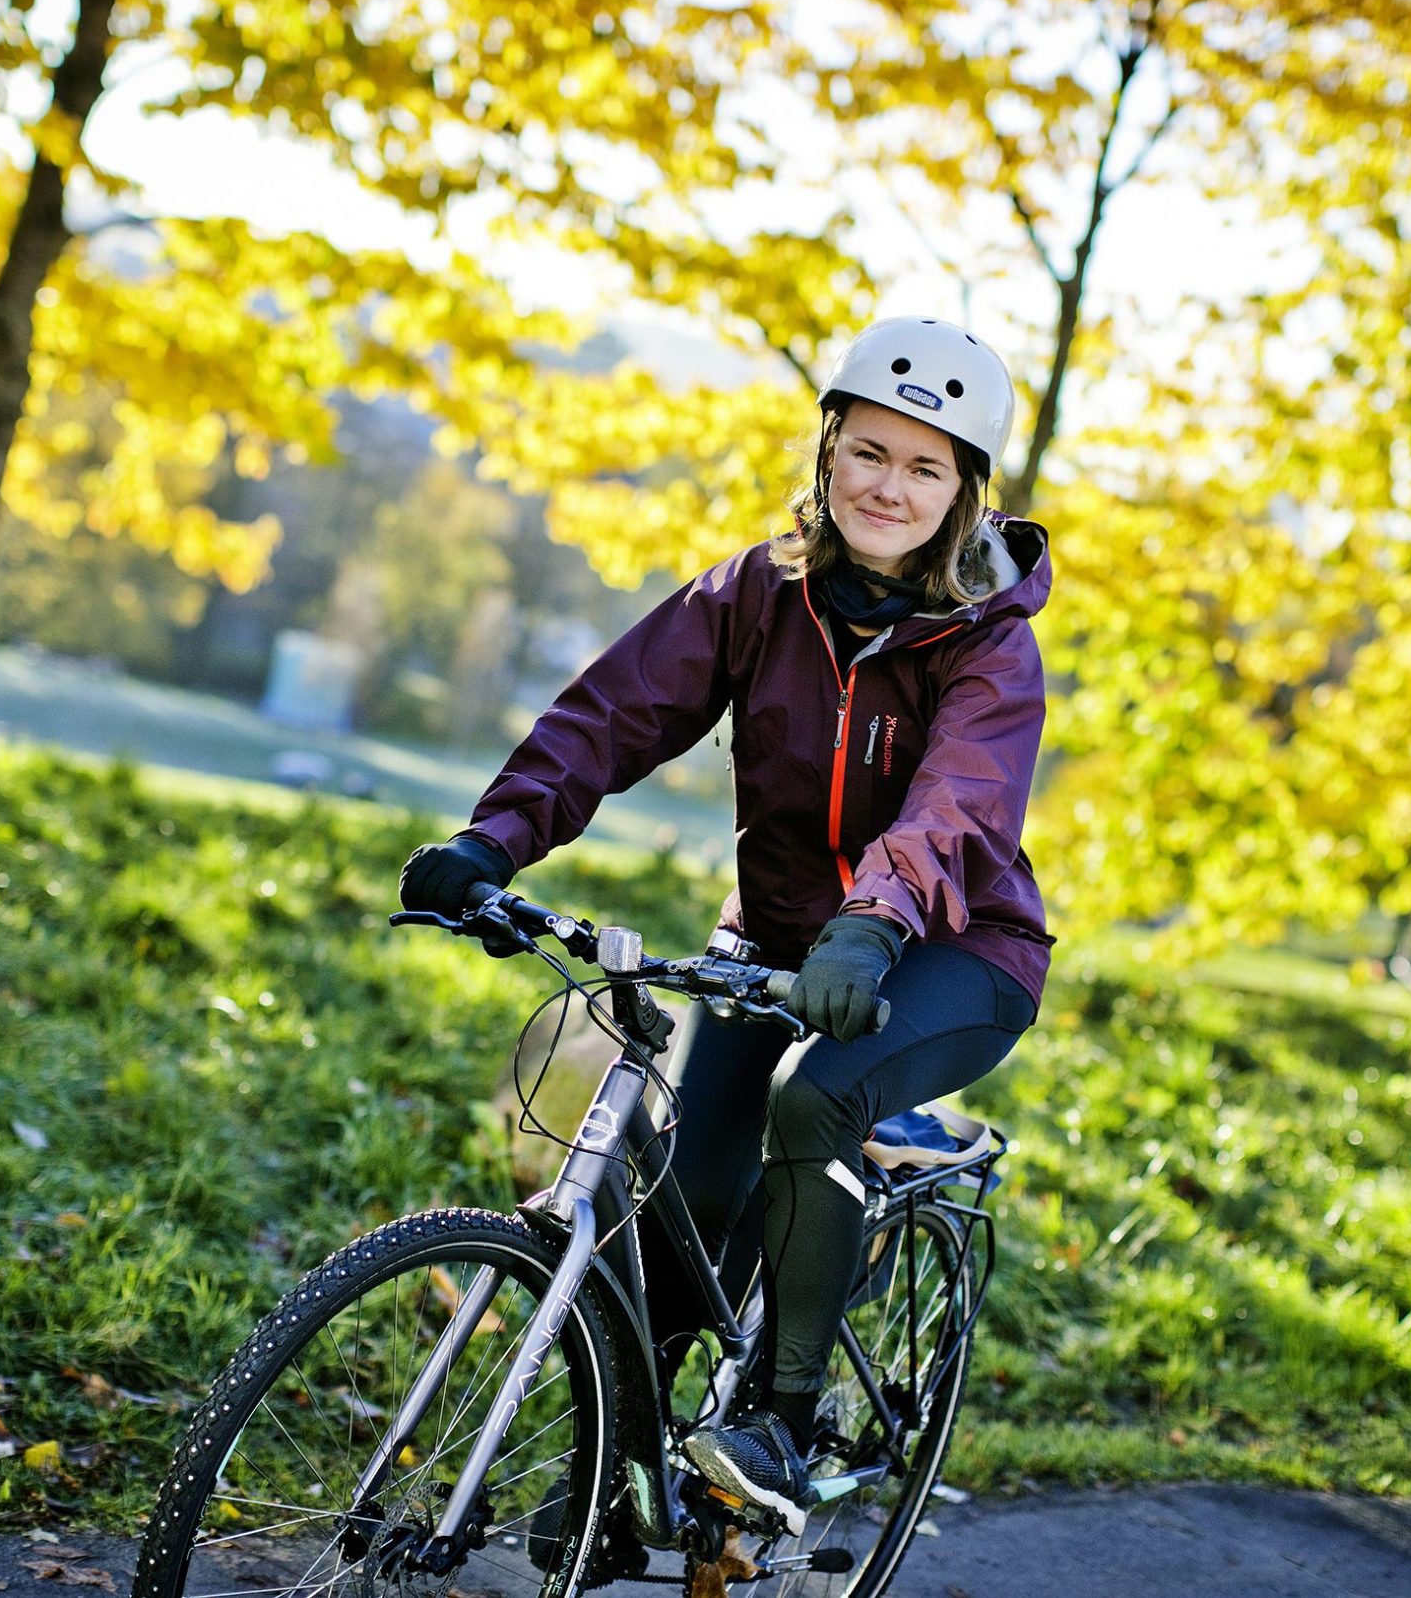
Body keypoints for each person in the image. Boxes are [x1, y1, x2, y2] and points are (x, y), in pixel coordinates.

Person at [398, 316, 1052, 1536]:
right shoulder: (758, 593)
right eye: (868, 451)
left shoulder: (991, 645)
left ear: (965, 491)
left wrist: (875, 920)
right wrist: (494, 840)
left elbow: (958, 797)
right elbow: (616, 710)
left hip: (954, 950)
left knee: (815, 1099)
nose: (887, 484)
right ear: (827, 453)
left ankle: (781, 1422)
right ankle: (618, 1482)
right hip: (775, 944)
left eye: (924, 466)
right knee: (685, 1199)